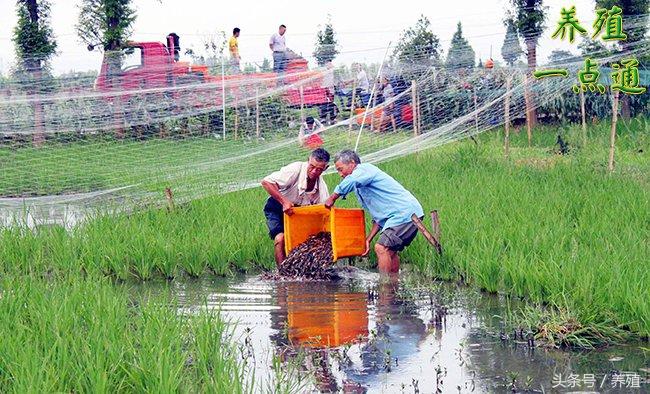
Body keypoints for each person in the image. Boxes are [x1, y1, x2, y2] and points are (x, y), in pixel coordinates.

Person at [324, 150, 423, 273]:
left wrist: (333, 197)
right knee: (390, 252)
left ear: (352, 163)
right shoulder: (361, 186)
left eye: (340, 169)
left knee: (381, 248)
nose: (340, 174)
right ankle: (392, 285)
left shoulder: (364, 169)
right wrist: (368, 239)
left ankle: (384, 285)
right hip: (403, 215)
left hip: (405, 213)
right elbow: (378, 219)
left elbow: (352, 181)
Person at [261, 148, 330, 266]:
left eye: (319, 169)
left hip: (298, 213)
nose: (314, 171)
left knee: (304, 241)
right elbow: (266, 182)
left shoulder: (321, 188)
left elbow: (324, 212)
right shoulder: (295, 169)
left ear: (325, 168)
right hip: (277, 207)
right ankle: (282, 273)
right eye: (312, 166)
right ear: (308, 160)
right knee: (280, 239)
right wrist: (284, 202)